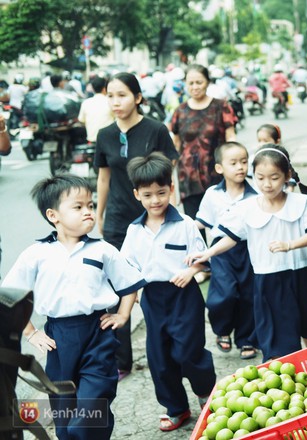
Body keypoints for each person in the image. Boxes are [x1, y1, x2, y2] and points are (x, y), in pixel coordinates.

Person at [1, 174, 146, 440]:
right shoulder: (37, 253)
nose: (88, 212)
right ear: (53, 215)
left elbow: (129, 283)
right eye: (78, 207)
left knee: (93, 403)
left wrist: (123, 314)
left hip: (97, 334)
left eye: (90, 206)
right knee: (62, 408)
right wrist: (31, 332)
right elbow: (10, 296)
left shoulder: (102, 250)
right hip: (58, 337)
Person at [185, 145, 307, 361]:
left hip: (300, 274)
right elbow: (232, 238)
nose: (267, 184)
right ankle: (285, 365)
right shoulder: (247, 207)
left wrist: (289, 245)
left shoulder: (301, 203)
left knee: (306, 322)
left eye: (274, 177)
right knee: (275, 328)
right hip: (265, 277)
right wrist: (208, 253)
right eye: (260, 178)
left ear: (287, 176)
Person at [122, 152, 215, 431]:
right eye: (148, 195)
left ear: (171, 189)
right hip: (153, 298)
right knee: (159, 357)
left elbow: (203, 261)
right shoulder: (134, 231)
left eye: (161, 193)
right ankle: (176, 407)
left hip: (184, 296)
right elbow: (127, 267)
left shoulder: (185, 224)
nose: (155, 200)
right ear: (137, 194)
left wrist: (191, 271)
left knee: (189, 351)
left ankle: (205, 394)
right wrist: (134, 293)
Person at [94, 72, 179, 381]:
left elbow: (169, 176)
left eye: (122, 95)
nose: (116, 102)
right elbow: (103, 177)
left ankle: (169, 346)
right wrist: (99, 214)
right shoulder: (104, 135)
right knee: (120, 289)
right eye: (111, 96)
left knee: (159, 285)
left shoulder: (156, 130)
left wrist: (174, 211)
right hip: (118, 221)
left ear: (138, 97)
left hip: (154, 217)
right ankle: (121, 360)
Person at [195, 142, 258, 360]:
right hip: (220, 251)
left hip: (249, 250)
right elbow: (201, 222)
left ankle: (246, 339)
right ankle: (222, 329)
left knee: (248, 296)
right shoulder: (213, 194)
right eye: (233, 163)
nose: (240, 167)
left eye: (244, 161)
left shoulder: (256, 193)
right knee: (223, 296)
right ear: (220, 168)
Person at [170, 64, 236, 242]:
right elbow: (175, 146)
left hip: (217, 175)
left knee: (223, 227)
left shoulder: (221, 107)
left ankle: (223, 267)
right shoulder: (180, 111)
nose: (195, 87)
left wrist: (235, 167)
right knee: (194, 227)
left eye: (199, 82)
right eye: (190, 83)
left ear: (207, 82)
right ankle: (201, 266)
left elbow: (231, 140)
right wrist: (169, 179)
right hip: (188, 177)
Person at [78, 76, 114, 143]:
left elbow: (81, 120)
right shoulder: (111, 102)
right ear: (104, 89)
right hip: (109, 140)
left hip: (92, 140)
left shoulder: (86, 103)